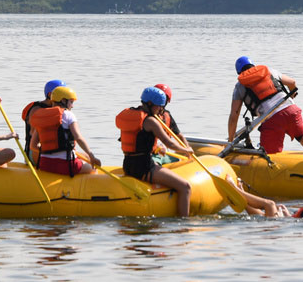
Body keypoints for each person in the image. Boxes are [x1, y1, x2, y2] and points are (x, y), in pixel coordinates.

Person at [116, 87, 197, 216]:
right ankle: (184, 224)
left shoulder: (133, 115)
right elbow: (169, 143)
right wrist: (186, 149)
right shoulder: (151, 121)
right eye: (159, 107)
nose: (161, 110)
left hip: (128, 165)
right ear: (149, 104)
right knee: (185, 187)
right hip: (144, 168)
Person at [228, 56, 303, 154]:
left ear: (239, 72)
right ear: (253, 65)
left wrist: (230, 141)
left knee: (269, 155)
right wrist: (292, 95)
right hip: (291, 109)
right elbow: (292, 82)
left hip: (272, 118)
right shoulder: (269, 71)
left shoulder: (240, 85)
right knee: (302, 135)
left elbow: (234, 116)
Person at [31, 86, 101, 176]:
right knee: (93, 169)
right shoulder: (69, 115)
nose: (72, 106)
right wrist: (92, 156)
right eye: (71, 102)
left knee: (83, 157)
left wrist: (50, 150)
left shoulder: (42, 116)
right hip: (66, 165)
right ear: (63, 101)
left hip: (45, 165)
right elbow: (78, 138)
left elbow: (33, 146)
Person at [21, 79, 65, 164]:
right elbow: (33, 134)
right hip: (34, 152)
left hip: (51, 152)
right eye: (61, 96)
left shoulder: (57, 110)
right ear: (49, 94)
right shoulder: (37, 110)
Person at [151, 83, 187, 165]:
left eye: (164, 100)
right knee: (154, 165)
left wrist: (187, 150)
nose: (161, 103)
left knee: (179, 161)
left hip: (165, 153)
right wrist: (156, 148)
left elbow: (180, 136)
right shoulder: (146, 117)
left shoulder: (167, 116)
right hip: (151, 155)